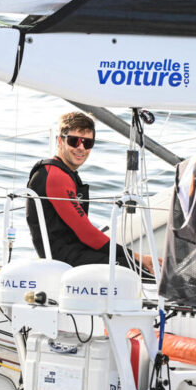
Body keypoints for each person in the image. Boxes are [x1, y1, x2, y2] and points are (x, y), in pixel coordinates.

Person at [26, 112, 156, 271]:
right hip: (64, 259)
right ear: (60, 141)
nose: (81, 148)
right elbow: (86, 233)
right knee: (142, 268)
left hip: (74, 252)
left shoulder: (63, 172)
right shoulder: (56, 176)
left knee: (136, 263)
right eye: (74, 141)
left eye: (87, 143)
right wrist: (137, 257)